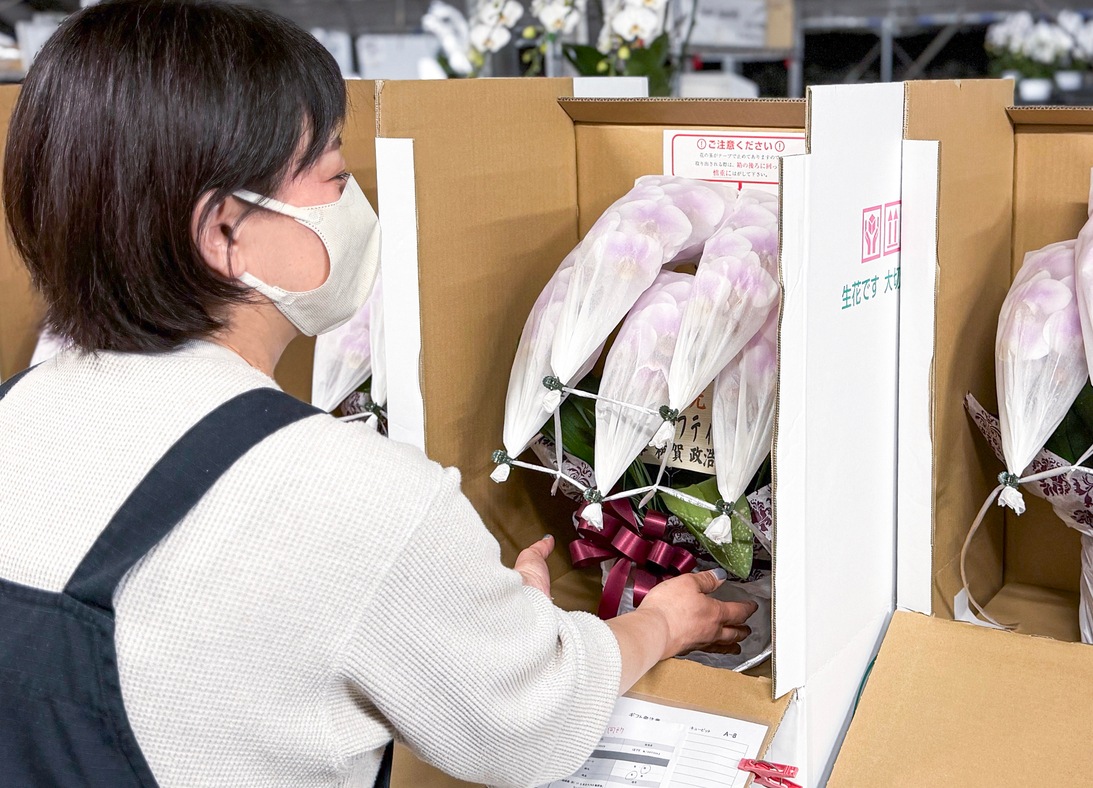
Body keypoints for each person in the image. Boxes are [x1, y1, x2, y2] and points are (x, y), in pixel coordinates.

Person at [0, 1, 757, 787]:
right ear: (224, 230)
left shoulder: (14, 413)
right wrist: (660, 624)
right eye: (333, 175)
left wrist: (476, 626)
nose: (354, 202)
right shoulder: (347, 493)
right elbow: (532, 725)